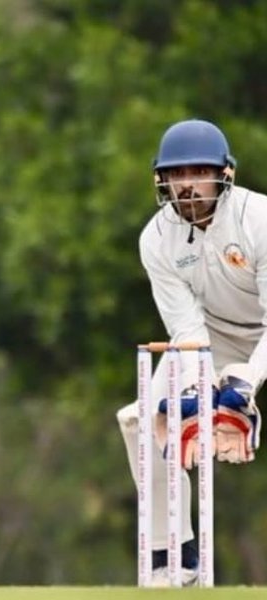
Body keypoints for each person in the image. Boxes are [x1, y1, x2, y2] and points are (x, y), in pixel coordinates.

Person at [117, 119, 264, 586]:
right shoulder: (155, 239)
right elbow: (186, 328)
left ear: (226, 174)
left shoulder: (259, 219)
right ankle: (174, 558)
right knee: (140, 419)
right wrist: (200, 390)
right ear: (161, 180)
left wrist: (245, 381)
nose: (187, 185)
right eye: (177, 175)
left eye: (198, 172)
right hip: (211, 337)